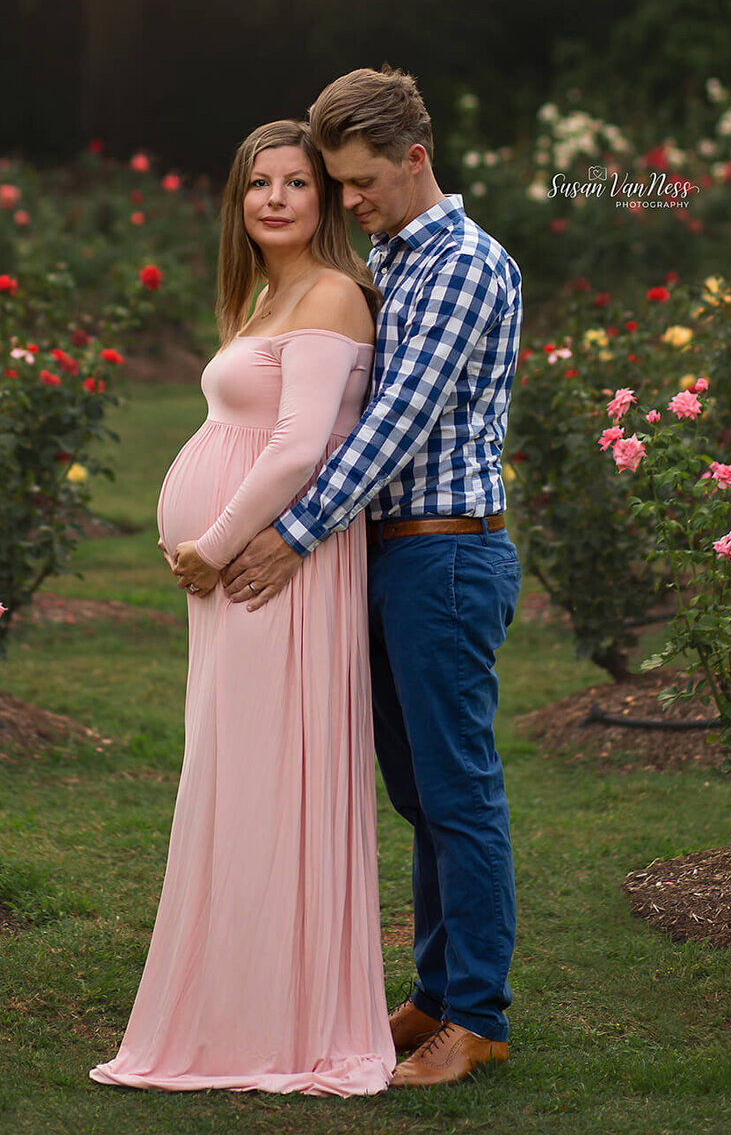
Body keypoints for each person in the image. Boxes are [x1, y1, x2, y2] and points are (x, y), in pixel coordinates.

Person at [219, 66, 523, 1088]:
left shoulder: (465, 264)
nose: (350, 202)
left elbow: (394, 425)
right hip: (392, 557)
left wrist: (294, 531)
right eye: (337, 185)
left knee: (460, 791)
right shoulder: (397, 257)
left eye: (361, 182)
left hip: (444, 552)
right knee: (420, 794)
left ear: (415, 159)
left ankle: (477, 1015)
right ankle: (436, 993)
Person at [89, 119, 396, 1096]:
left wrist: (213, 547)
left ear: (326, 198)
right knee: (234, 774)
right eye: (258, 183)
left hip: (272, 570)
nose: (273, 198)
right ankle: (241, 1001)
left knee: (267, 776)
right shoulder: (271, 292)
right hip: (235, 575)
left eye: (294, 184)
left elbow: (303, 448)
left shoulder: (333, 294)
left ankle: (281, 1019)